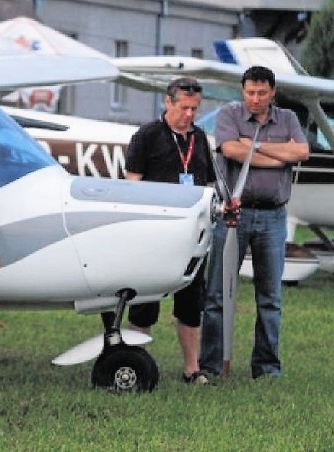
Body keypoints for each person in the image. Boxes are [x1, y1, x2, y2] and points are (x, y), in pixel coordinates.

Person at [199, 66, 309, 379]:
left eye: (262, 93)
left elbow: (301, 151)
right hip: (234, 214)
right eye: (250, 92)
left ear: (272, 92)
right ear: (242, 91)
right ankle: (211, 364)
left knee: (270, 296)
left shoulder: (287, 118)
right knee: (218, 294)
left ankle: (267, 367)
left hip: (274, 216)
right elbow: (232, 149)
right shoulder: (229, 115)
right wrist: (279, 155)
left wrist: (255, 147)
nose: (255, 98)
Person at [124, 77, 215, 384]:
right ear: (168, 102)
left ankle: (192, 368)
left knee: (191, 303)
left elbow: (208, 182)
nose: (190, 115)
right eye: (184, 108)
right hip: (154, 235)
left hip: (192, 236)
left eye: (195, 109)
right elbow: (132, 184)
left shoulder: (199, 138)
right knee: (144, 303)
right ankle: (138, 361)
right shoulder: (147, 135)